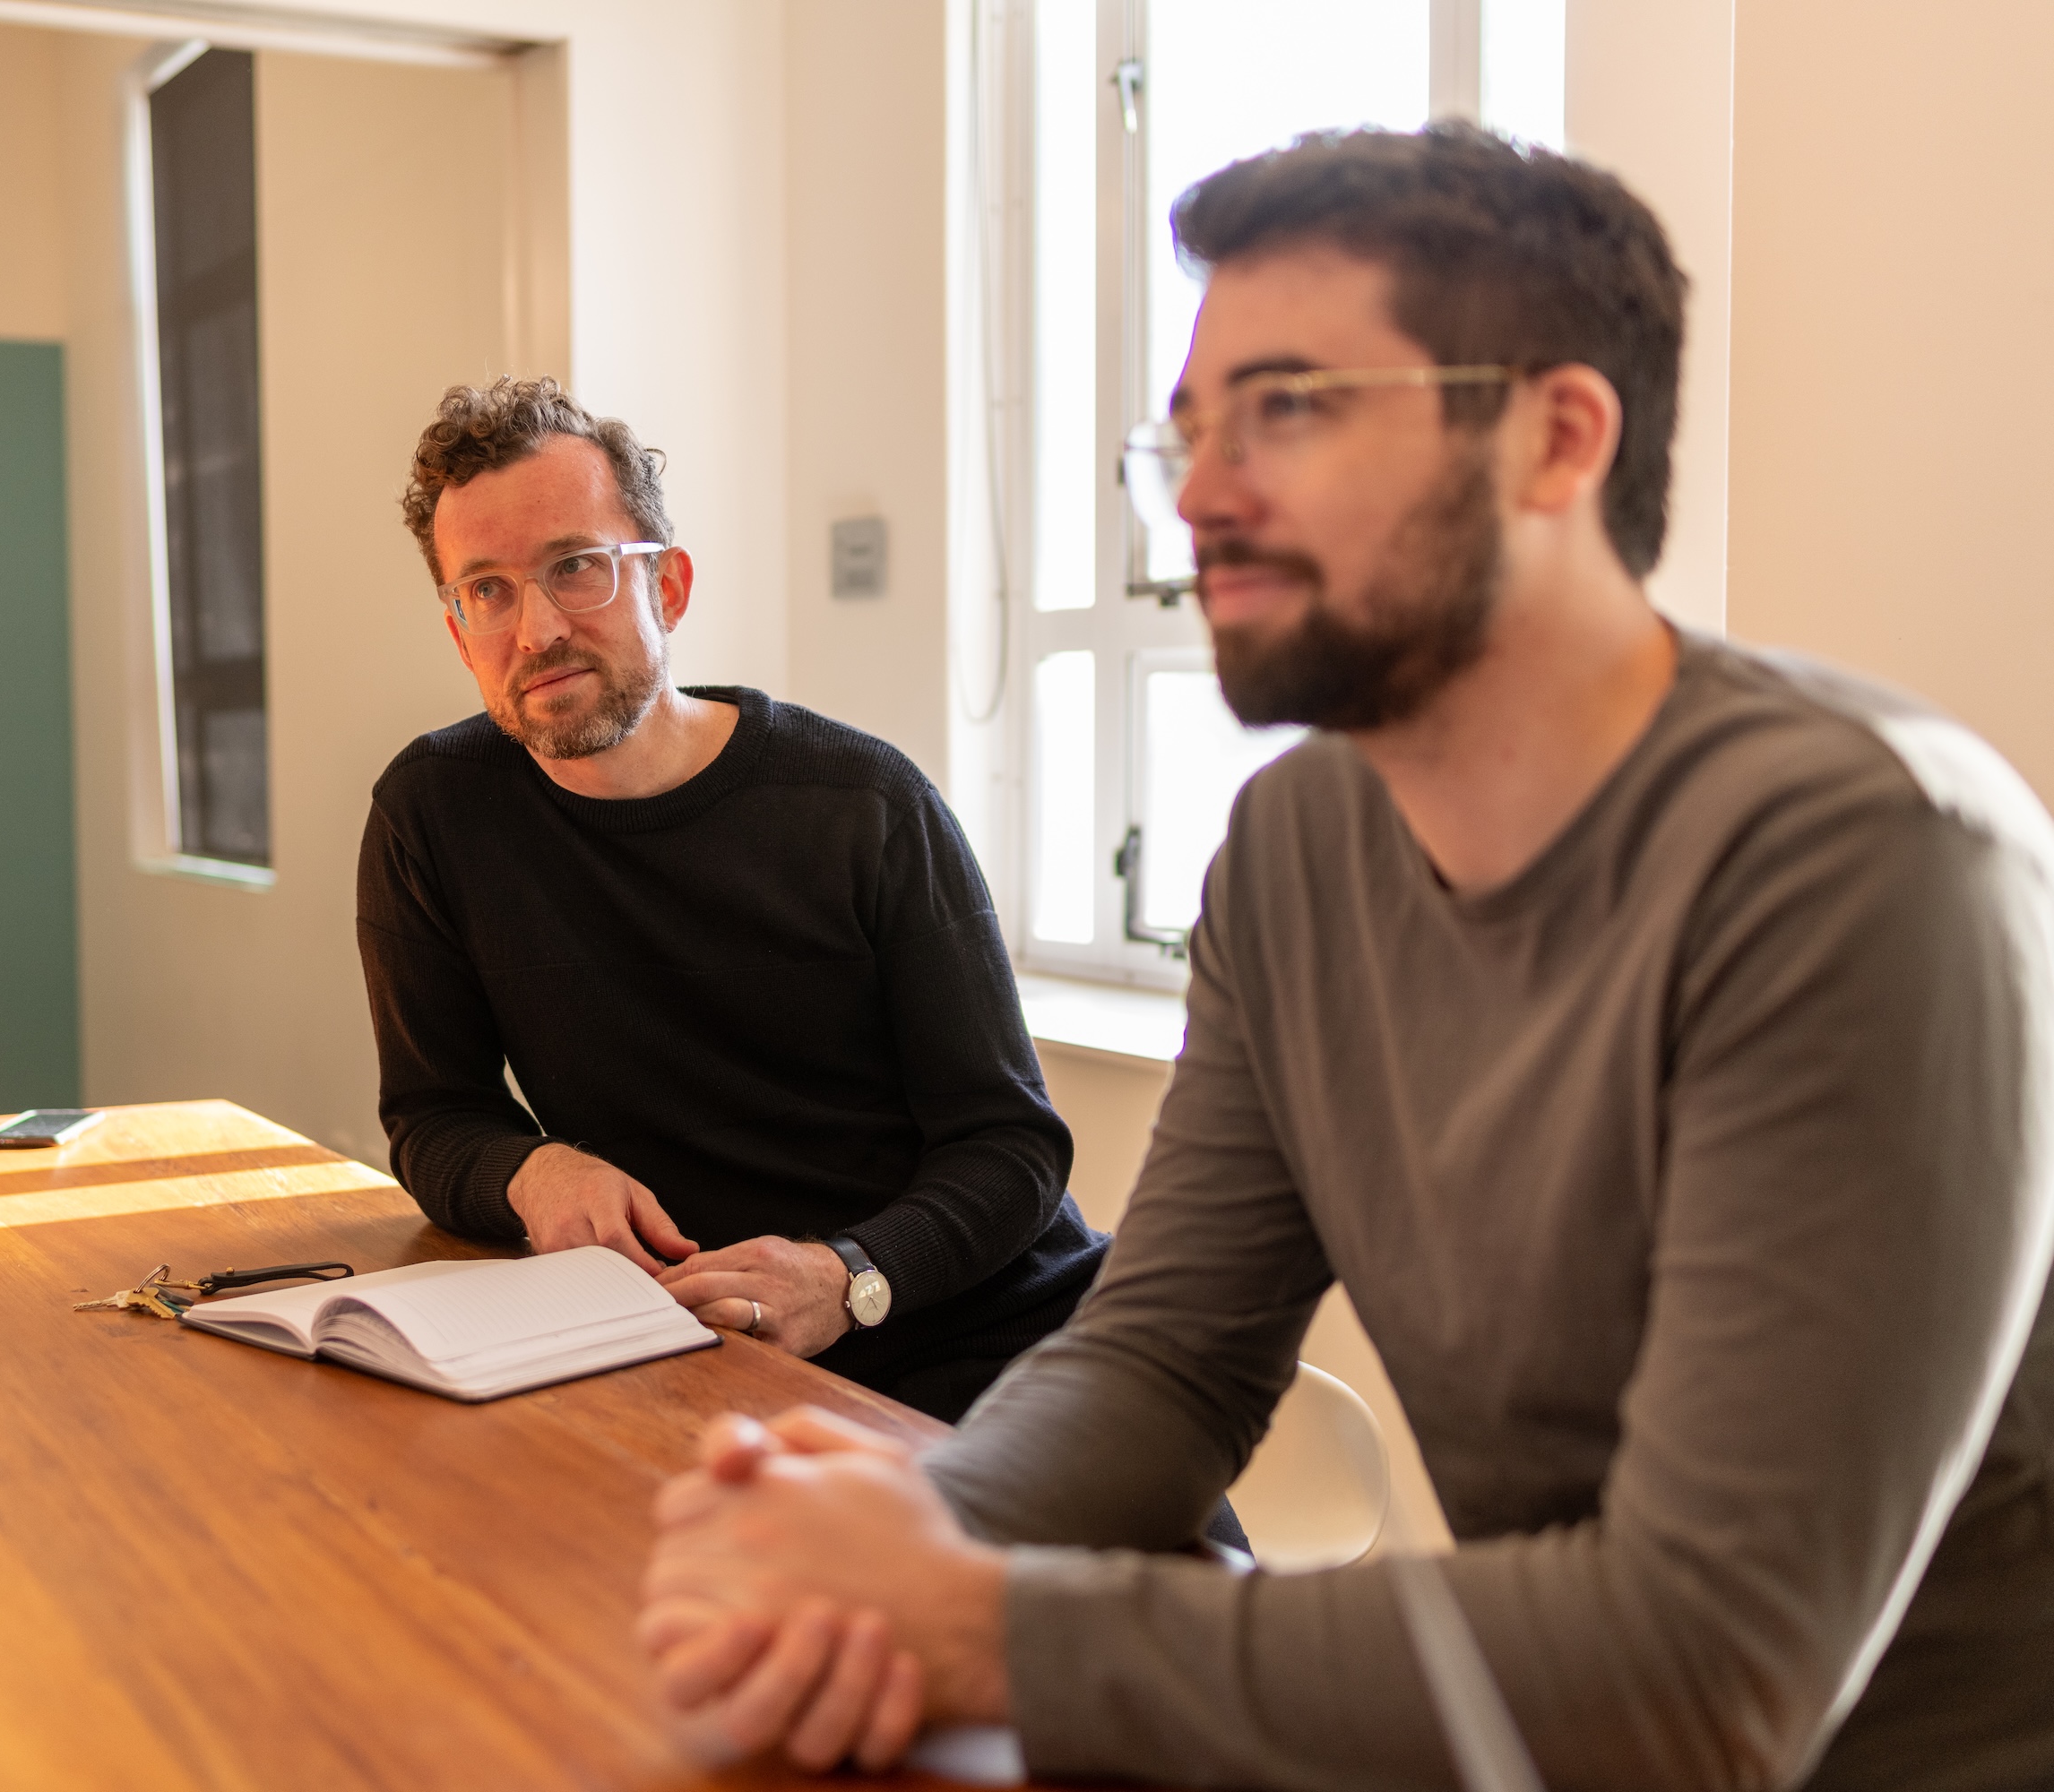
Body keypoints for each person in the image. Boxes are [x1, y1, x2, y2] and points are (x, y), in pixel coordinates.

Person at [637, 123, 2054, 1790]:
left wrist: (986, 1626)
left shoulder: (1866, 857)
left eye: (1291, 407)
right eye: (1188, 431)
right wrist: (902, 1537)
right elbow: (1167, 1360)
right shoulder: (1296, 846)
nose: (1201, 495)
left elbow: (1706, 1672)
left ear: (1557, 439)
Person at [354, 376, 1110, 1424]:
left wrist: (848, 1276)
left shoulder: (864, 804)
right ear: (458, 630)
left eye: (576, 567)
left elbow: (1013, 1149)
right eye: (488, 590)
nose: (536, 629)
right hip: (703, 1359)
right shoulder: (432, 814)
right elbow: (435, 1114)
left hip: (989, 1344)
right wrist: (531, 1170)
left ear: (667, 586)